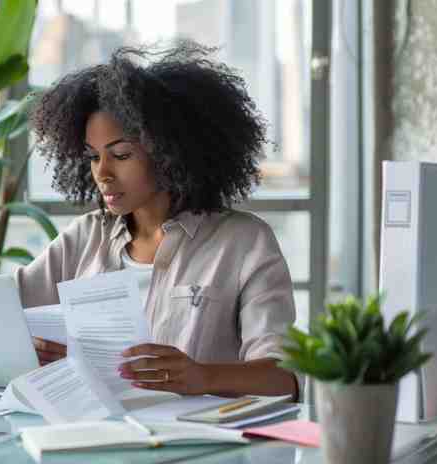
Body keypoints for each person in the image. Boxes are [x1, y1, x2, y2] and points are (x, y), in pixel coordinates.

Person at [16, 42, 298, 399]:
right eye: (92, 156)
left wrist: (203, 377)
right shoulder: (85, 238)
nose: (102, 172)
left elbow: (283, 377)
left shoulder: (244, 242)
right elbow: (4, 309)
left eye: (121, 154)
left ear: (169, 153)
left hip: (200, 443)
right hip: (95, 438)